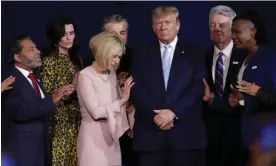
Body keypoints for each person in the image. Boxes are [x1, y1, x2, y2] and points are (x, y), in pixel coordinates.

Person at [129, 5, 207, 166]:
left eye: (168, 22)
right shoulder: (141, 53)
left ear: (178, 25)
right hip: (150, 135)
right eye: (158, 23)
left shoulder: (195, 52)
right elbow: (135, 88)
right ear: (153, 27)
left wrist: (173, 113)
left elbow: (197, 87)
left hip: (185, 137)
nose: (163, 27)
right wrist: (156, 116)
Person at [1, 34, 74, 166]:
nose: (38, 51)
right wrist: (52, 99)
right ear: (17, 57)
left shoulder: (35, 77)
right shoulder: (9, 80)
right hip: (22, 154)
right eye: (31, 49)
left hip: (41, 150)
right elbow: (20, 111)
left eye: (36, 48)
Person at [76, 31, 134, 166]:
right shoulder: (85, 76)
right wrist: (123, 100)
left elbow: (121, 104)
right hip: (92, 140)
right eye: (113, 56)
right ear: (103, 52)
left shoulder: (112, 75)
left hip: (112, 138)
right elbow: (95, 112)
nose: (116, 61)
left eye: (119, 57)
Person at [202, 5, 248, 166]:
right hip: (208, 136)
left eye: (222, 25)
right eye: (212, 25)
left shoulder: (246, 56)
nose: (217, 29)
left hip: (239, 135)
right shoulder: (202, 56)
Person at [230, 10, 276, 150]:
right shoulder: (242, 58)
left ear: (253, 31)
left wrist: (257, 93)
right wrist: (240, 100)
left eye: (237, 32)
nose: (233, 37)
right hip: (248, 133)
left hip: (267, 138)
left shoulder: (269, 57)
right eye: (232, 32)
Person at [39, 14, 81, 166]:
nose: (69, 38)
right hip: (59, 126)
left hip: (77, 123)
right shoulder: (50, 61)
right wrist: (70, 90)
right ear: (55, 36)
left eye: (71, 33)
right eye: (64, 34)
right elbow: (46, 96)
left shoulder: (76, 61)